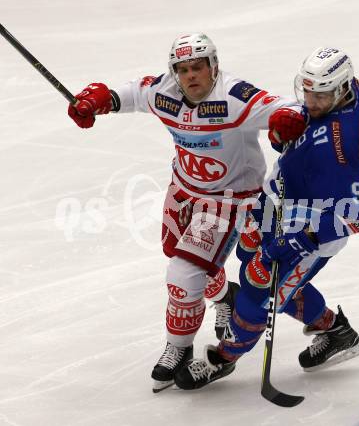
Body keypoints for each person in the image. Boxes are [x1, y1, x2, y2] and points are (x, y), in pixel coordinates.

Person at [67, 33, 307, 392]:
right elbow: (134, 92)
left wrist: (287, 116)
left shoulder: (233, 97)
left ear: (213, 66)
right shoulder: (166, 92)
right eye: (183, 69)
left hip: (227, 200)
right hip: (183, 189)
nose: (191, 76)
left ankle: (177, 349)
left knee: (183, 275)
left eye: (198, 67)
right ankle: (225, 296)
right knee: (178, 256)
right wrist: (100, 100)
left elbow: (278, 105)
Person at [173, 46, 359, 390]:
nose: (311, 102)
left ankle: (223, 359)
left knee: (259, 295)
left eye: (321, 95)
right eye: (308, 91)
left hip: (311, 230)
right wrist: (284, 136)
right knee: (248, 260)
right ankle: (334, 330)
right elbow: (354, 115)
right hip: (278, 200)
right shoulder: (355, 93)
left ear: (341, 89)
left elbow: (358, 215)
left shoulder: (343, 145)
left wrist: (304, 239)